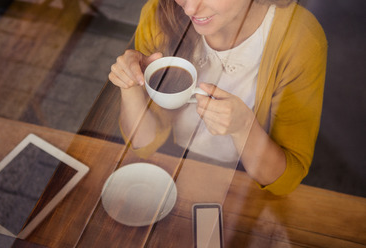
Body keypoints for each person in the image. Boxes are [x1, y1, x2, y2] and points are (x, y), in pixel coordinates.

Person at [108, 0, 327, 195]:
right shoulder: (159, 12)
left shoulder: (300, 40)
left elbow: (284, 180)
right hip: (168, 170)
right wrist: (130, 84)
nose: (190, 8)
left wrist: (243, 127)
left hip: (243, 185)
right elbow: (144, 145)